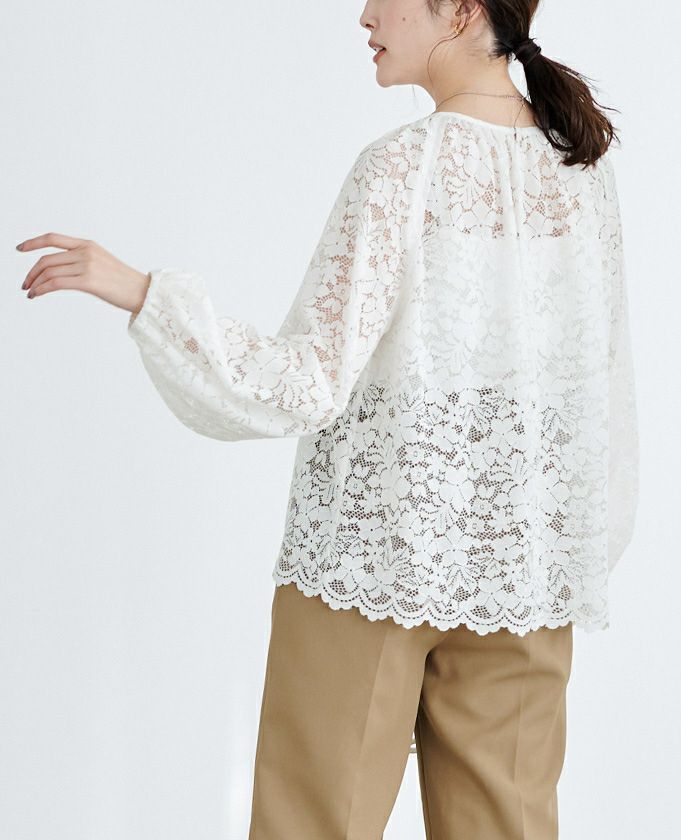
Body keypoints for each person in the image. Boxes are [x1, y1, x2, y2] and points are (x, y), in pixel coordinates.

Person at [15, 1, 639, 837]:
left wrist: (143, 293)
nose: (366, 13)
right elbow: (594, 390)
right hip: (524, 565)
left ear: (460, 12)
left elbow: (306, 381)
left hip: (371, 560)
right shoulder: (580, 171)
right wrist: (564, 548)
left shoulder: (403, 167)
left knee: (313, 824)